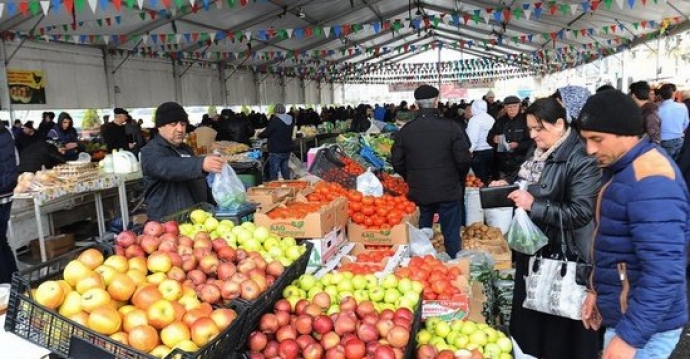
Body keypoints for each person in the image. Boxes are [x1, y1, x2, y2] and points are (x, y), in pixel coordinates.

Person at [578, 90, 689, 359]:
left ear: (625, 132)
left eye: (597, 139)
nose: (590, 150)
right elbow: (615, 246)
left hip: (646, 329)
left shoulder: (651, 180)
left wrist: (629, 338)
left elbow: (664, 273)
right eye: (586, 140)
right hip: (630, 317)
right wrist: (596, 291)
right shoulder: (624, 169)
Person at [491, 97, 601, 359]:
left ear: (560, 124)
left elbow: (581, 212)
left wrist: (534, 205)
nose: (533, 135)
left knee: (561, 327)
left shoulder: (581, 158)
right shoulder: (539, 151)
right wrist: (506, 184)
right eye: (530, 129)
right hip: (536, 250)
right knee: (533, 324)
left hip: (565, 257)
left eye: (538, 129)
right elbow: (526, 178)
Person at [391, 85, 472, 258]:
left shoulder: (406, 131)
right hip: (448, 190)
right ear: (436, 102)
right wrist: (457, 178)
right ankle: (454, 268)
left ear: (416, 104)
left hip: (420, 192)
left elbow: (397, 161)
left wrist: (411, 176)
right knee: (451, 235)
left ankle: (422, 269)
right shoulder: (451, 127)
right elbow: (463, 159)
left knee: (421, 236)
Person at [140, 102, 225, 221]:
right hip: (166, 224)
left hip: (192, 219)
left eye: (183, 124)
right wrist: (200, 164)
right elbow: (166, 167)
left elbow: (197, 182)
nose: (180, 129)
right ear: (160, 126)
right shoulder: (150, 151)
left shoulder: (185, 149)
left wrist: (214, 206)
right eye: (173, 124)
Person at [487, 95, 531, 180]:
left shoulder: (526, 120)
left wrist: (518, 145)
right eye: (509, 107)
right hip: (503, 166)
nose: (512, 109)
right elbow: (489, 137)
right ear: (505, 108)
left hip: (522, 165)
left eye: (515, 106)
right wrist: (494, 139)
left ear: (519, 106)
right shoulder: (500, 122)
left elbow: (533, 142)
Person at [0, 123, 19, 283]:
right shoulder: (6, 131)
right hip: (7, 193)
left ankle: (6, 286)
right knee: (1, 240)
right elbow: (17, 160)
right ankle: (15, 282)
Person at [259, 104, 295, 181]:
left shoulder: (276, 120)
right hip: (287, 149)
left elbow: (266, 133)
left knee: (274, 171)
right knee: (285, 169)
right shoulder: (291, 119)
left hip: (276, 149)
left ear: (276, 112)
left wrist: (259, 135)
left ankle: (274, 186)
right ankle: (289, 185)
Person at [466, 99, 494, 185]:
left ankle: (482, 197)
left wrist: (469, 151)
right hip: (490, 151)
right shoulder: (491, 118)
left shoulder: (474, 120)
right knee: (488, 177)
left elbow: (472, 138)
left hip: (478, 153)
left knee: (479, 180)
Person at [657, 83, 689, 159]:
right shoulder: (682, 107)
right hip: (679, 140)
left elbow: (656, 126)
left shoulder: (658, 109)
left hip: (664, 141)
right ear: (673, 94)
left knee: (666, 166)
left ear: (660, 96)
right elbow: (686, 123)